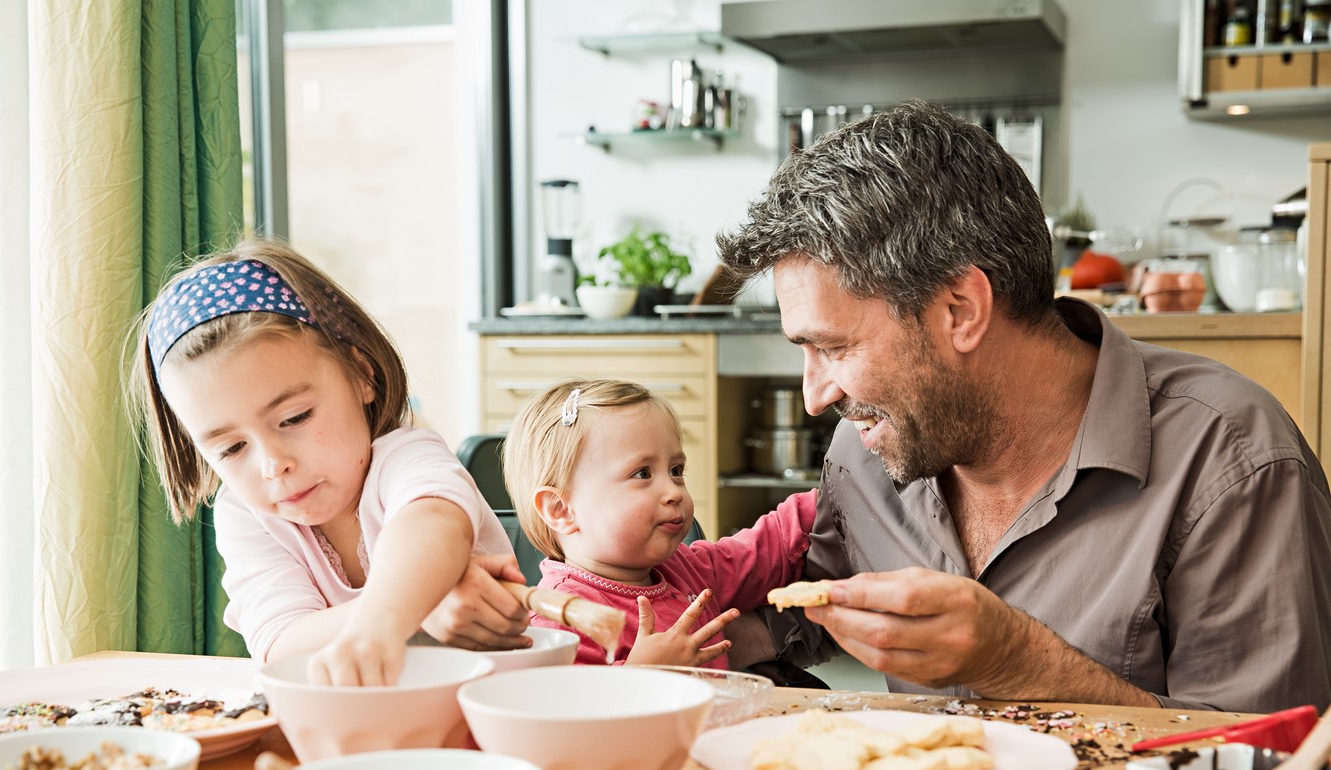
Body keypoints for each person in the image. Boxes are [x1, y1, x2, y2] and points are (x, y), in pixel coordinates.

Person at [715, 100, 1331, 713]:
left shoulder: (1233, 462)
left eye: (834, 346)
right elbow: (822, 607)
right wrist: (674, 644)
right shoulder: (868, 448)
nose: (815, 396)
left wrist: (1015, 660)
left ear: (961, 311)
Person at [128, 238, 530, 687]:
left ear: (362, 375)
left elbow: (433, 524)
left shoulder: (407, 457)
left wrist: (387, 619)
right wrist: (420, 607)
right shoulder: (245, 514)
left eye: (294, 417)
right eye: (230, 449)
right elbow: (280, 642)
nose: (273, 464)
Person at [502, 379, 817, 670]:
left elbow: (762, 551)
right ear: (561, 509)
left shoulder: (683, 568)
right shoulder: (559, 621)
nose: (673, 492)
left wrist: (825, 499)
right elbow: (567, 718)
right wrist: (642, 673)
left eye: (676, 470)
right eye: (642, 474)